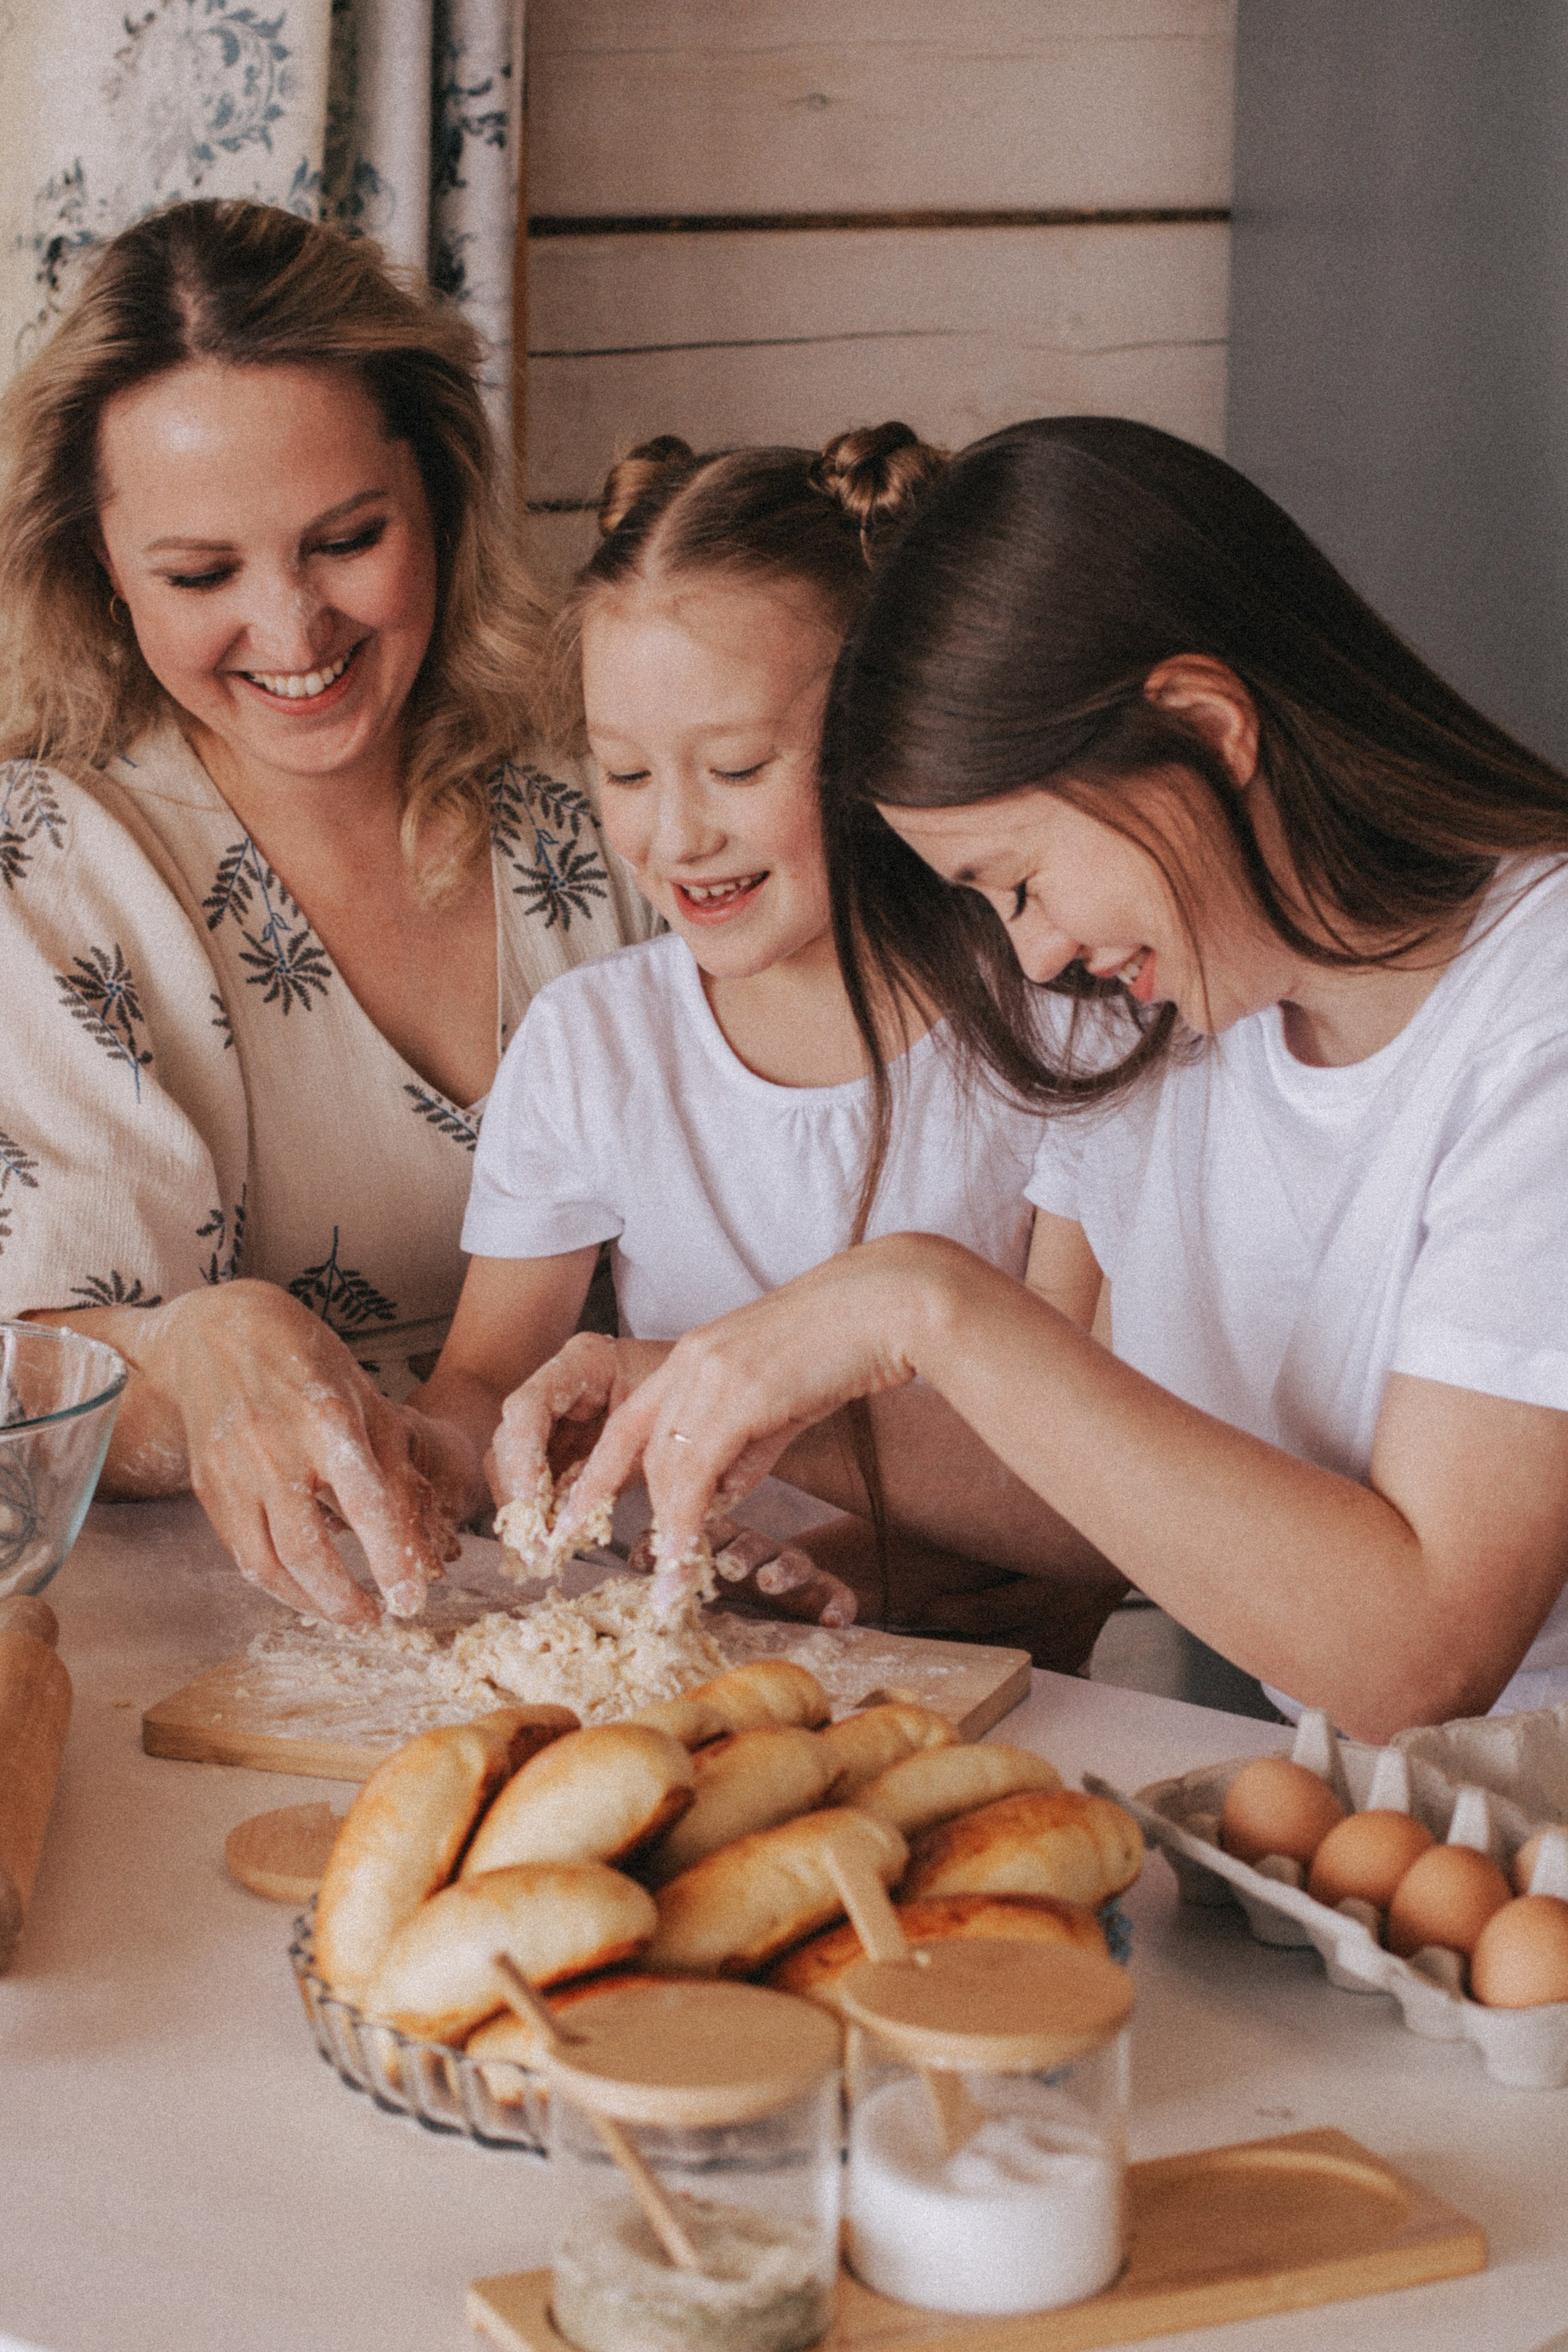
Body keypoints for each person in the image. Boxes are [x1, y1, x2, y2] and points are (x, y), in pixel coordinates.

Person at [501, 416, 1568, 1743]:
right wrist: (704, 1389)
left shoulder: (1538, 1015)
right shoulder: (1191, 1013)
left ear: (1200, 724)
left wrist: (919, 1299)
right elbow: (1082, 1494)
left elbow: (1418, 1656)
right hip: (1367, 1830)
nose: (1035, 950)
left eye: (1018, 879)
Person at [0, 199, 645, 1627]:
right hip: (241, 1638)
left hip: (652, 1606)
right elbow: (48, 1365)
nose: (293, 635)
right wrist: (210, 1346)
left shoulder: (618, 785)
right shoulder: (47, 864)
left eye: (347, 538)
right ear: (100, 566)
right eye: (202, 575)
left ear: (438, 496)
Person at [414, 428, 1131, 1663]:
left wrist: (821, 1558)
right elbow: (482, 1384)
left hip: (983, 1689)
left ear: (887, 732)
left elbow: (1078, 1487)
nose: (675, 835)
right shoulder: (595, 1041)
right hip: (675, 1663)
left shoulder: (1059, 1029)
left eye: (736, 766)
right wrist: (419, 1455)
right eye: (625, 772)